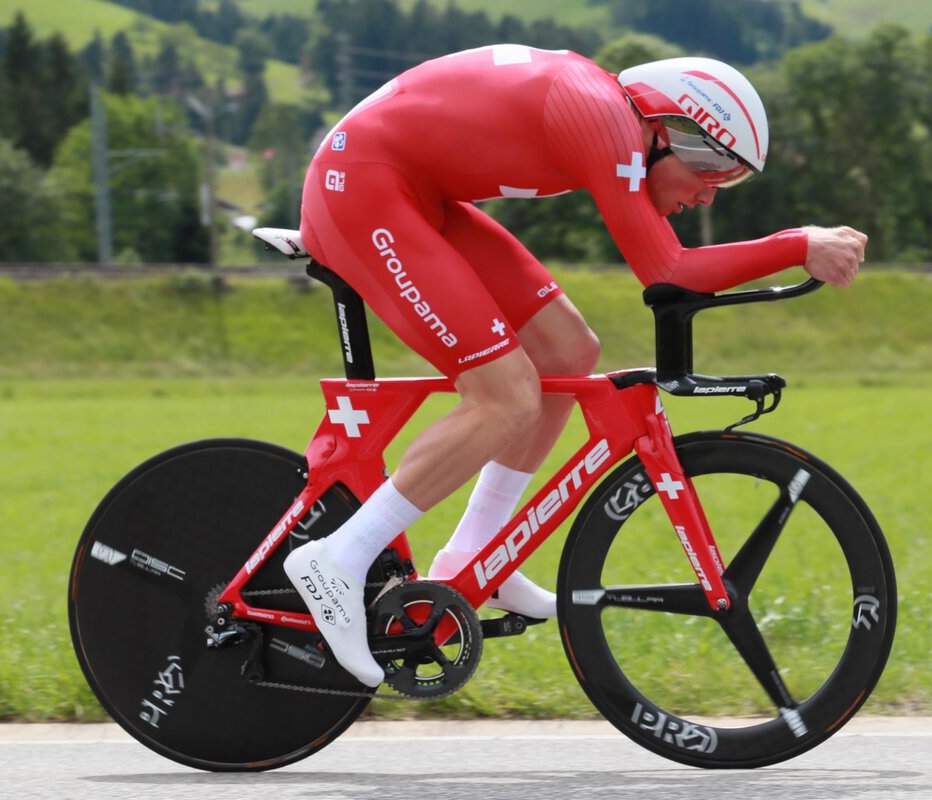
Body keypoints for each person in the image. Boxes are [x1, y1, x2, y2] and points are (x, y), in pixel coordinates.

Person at [284, 46, 867, 687]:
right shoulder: (602, 118)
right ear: (663, 130)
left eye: (728, 180)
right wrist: (796, 245)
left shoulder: (608, 113)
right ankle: (339, 556)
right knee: (503, 396)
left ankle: (479, 552)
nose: (707, 194)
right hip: (364, 190)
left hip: (410, 194)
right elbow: (668, 271)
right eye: (710, 167)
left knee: (568, 352)